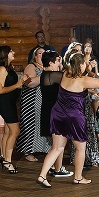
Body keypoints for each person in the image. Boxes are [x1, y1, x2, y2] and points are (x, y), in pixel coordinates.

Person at [34, 54, 99, 187]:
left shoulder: (65, 74)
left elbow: (75, 87)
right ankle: (78, 177)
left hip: (58, 114)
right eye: (84, 63)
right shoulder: (82, 79)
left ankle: (42, 176)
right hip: (74, 116)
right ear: (80, 65)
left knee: (57, 147)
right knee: (80, 148)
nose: (86, 65)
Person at [0, 45, 29, 173]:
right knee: (15, 131)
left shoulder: (10, 68)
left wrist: (22, 82)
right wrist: (18, 84)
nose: (13, 52)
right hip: (5, 103)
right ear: (5, 54)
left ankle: (4, 157)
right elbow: (0, 90)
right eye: (11, 51)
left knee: (9, 132)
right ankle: (8, 161)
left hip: (11, 102)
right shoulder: (1, 69)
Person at [39, 51, 73, 179]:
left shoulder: (45, 74)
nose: (60, 63)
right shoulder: (54, 75)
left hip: (48, 109)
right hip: (55, 111)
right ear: (51, 62)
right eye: (58, 60)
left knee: (57, 143)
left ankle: (56, 167)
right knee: (59, 143)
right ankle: (58, 169)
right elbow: (70, 79)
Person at [15, 48, 51, 162]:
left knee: (44, 124)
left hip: (45, 101)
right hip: (32, 101)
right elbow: (30, 83)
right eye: (40, 53)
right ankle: (28, 151)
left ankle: (45, 149)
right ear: (35, 57)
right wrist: (46, 75)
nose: (43, 55)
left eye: (44, 53)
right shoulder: (32, 66)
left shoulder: (47, 67)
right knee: (32, 125)